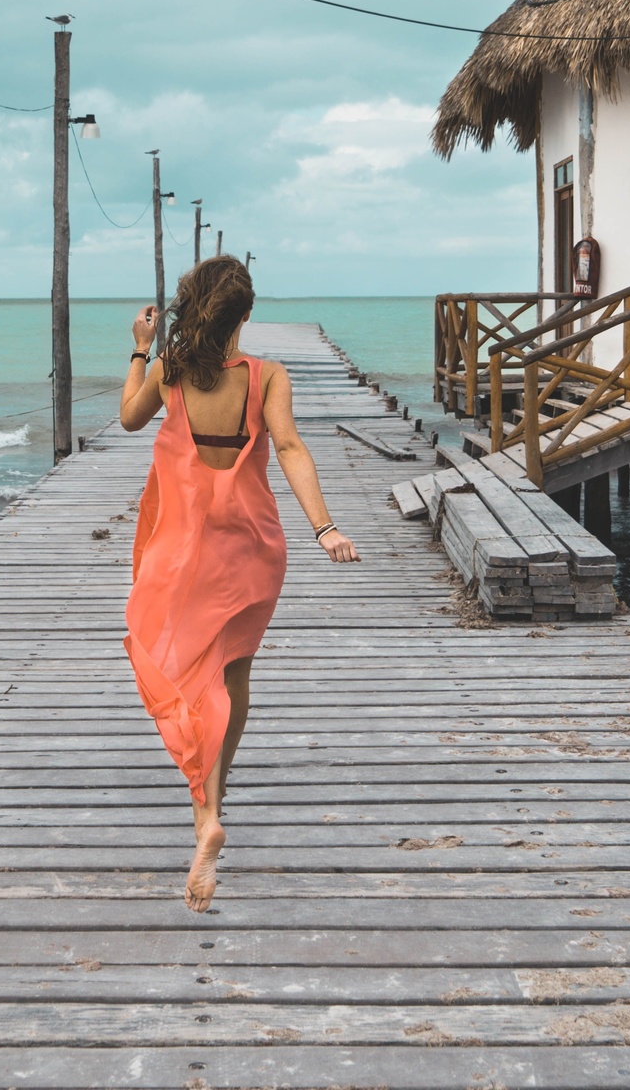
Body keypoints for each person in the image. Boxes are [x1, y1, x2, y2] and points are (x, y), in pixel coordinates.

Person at [118, 255, 358, 912]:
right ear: (244, 316)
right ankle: (214, 800)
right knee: (234, 677)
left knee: (179, 668)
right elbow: (289, 449)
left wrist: (140, 352)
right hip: (252, 548)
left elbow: (130, 420)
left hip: (183, 548)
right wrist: (325, 529)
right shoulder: (266, 376)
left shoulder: (170, 369)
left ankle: (204, 812)